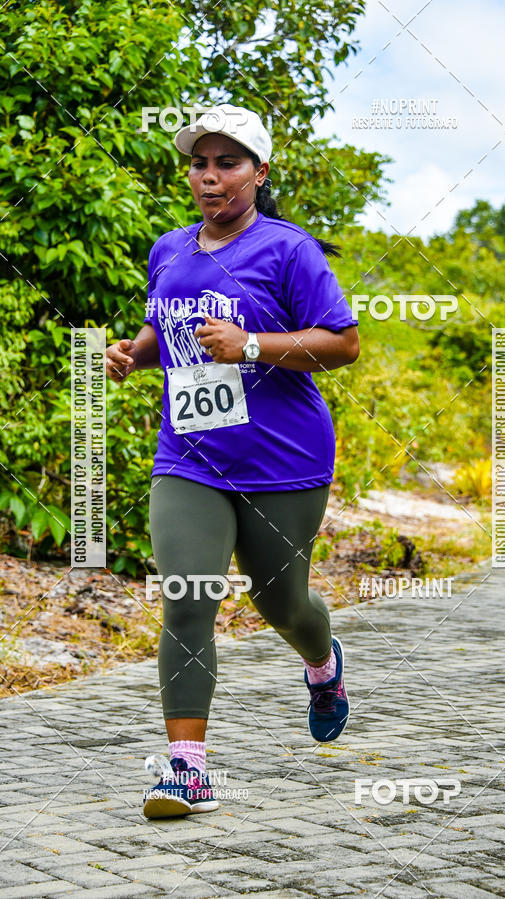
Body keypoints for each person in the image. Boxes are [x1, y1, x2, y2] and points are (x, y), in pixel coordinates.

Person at [105, 104, 360, 819]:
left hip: (284, 459)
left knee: (282, 603)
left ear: (259, 172)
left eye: (227, 163)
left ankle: (323, 662)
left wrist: (252, 344)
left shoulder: (290, 250)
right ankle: (186, 772)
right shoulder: (169, 248)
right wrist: (133, 353)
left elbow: (343, 343)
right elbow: (164, 325)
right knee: (188, 596)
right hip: (189, 455)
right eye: (200, 163)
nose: (210, 177)